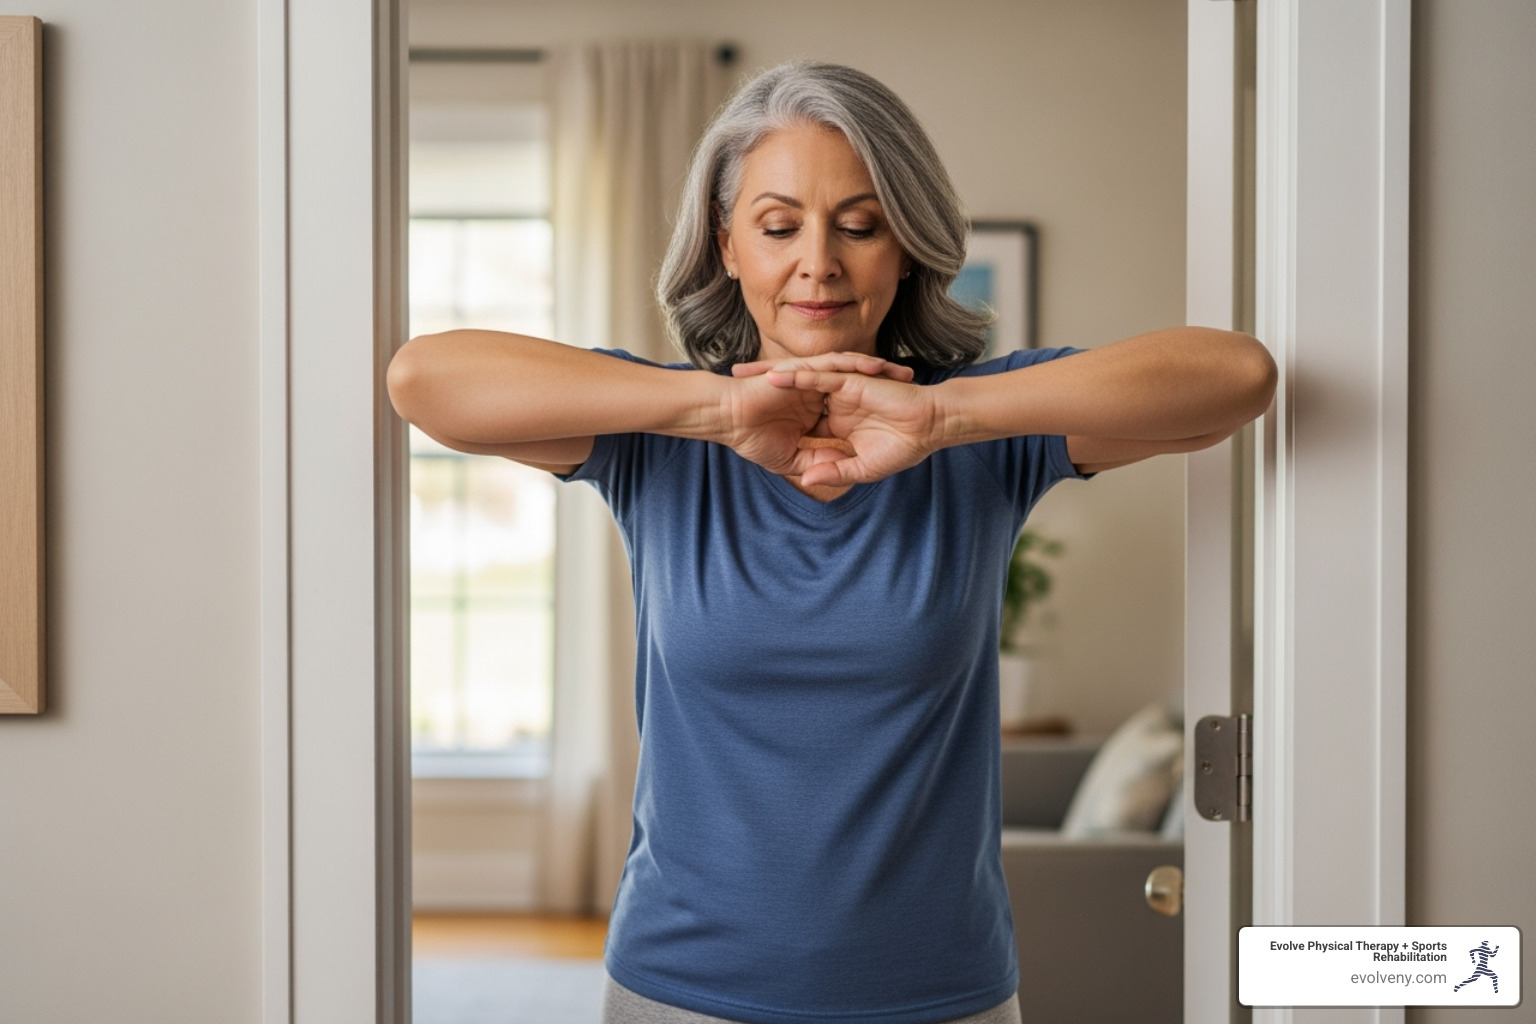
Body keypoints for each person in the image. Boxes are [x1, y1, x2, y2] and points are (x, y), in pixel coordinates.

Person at [389, 61, 1276, 1024]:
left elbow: (1235, 375)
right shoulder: (657, 440)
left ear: (906, 249)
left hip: (941, 998)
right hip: (682, 989)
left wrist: (941, 419)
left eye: (860, 225)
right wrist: (719, 405)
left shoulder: (982, 440)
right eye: (779, 227)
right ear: (728, 246)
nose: (819, 261)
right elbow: (424, 381)